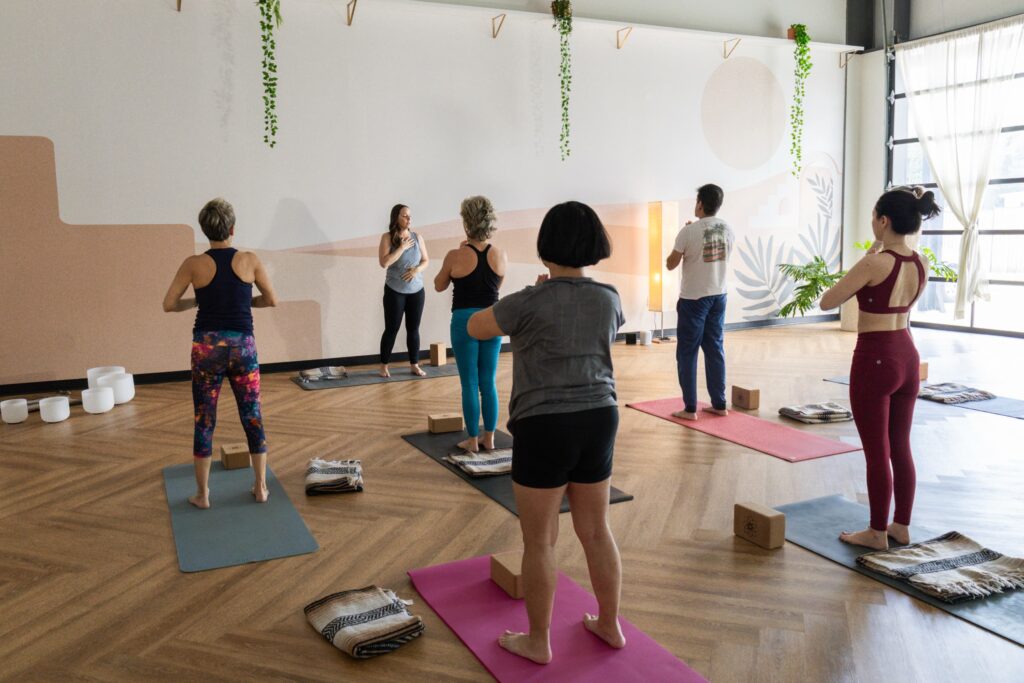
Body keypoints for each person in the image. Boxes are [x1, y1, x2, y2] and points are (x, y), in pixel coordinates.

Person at [468, 201, 626, 664]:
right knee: (597, 530)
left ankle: (539, 641)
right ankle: (610, 625)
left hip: (544, 422)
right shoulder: (610, 297)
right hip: (600, 415)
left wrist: (533, 299)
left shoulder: (528, 301)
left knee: (540, 541)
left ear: (545, 247)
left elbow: (479, 326)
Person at [820, 186, 940, 550]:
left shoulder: (875, 262)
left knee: (877, 451)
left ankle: (875, 531)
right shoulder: (921, 263)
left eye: (874, 217)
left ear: (883, 221)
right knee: (900, 447)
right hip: (907, 355)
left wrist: (871, 252)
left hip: (875, 359)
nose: (873, 223)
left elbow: (829, 300)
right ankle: (900, 525)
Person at [162, 198, 277, 509]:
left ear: (205, 229)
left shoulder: (193, 264)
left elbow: (169, 304)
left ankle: (203, 495)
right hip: (243, 347)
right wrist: (245, 304)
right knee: (252, 417)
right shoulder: (250, 260)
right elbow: (271, 300)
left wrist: (199, 302)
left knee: (204, 420)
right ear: (232, 228)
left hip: (206, 349)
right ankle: (261, 487)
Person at [434, 196, 507, 452]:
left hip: (465, 321)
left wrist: (459, 254)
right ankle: (490, 438)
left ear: (467, 222)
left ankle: (473, 441)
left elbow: (439, 285)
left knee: (470, 383)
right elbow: (496, 287)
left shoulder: (455, 255)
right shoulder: (499, 254)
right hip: (492, 319)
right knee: (488, 382)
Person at [665, 184, 735, 420]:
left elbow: (670, 264)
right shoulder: (727, 229)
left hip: (693, 299)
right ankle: (720, 403)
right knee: (715, 349)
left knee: (687, 352)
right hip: (719, 295)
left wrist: (684, 243)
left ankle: (690, 408)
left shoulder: (688, 232)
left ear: (700, 204)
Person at [378, 204, 430, 378]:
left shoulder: (417, 237)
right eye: (405, 216)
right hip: (395, 291)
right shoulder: (387, 238)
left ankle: (414, 364)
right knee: (391, 329)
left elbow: (426, 261)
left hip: (416, 291)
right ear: (396, 218)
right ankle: (384, 365)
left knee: (413, 329)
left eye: (410, 216)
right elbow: (384, 263)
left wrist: (416, 270)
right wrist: (401, 247)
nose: (409, 219)